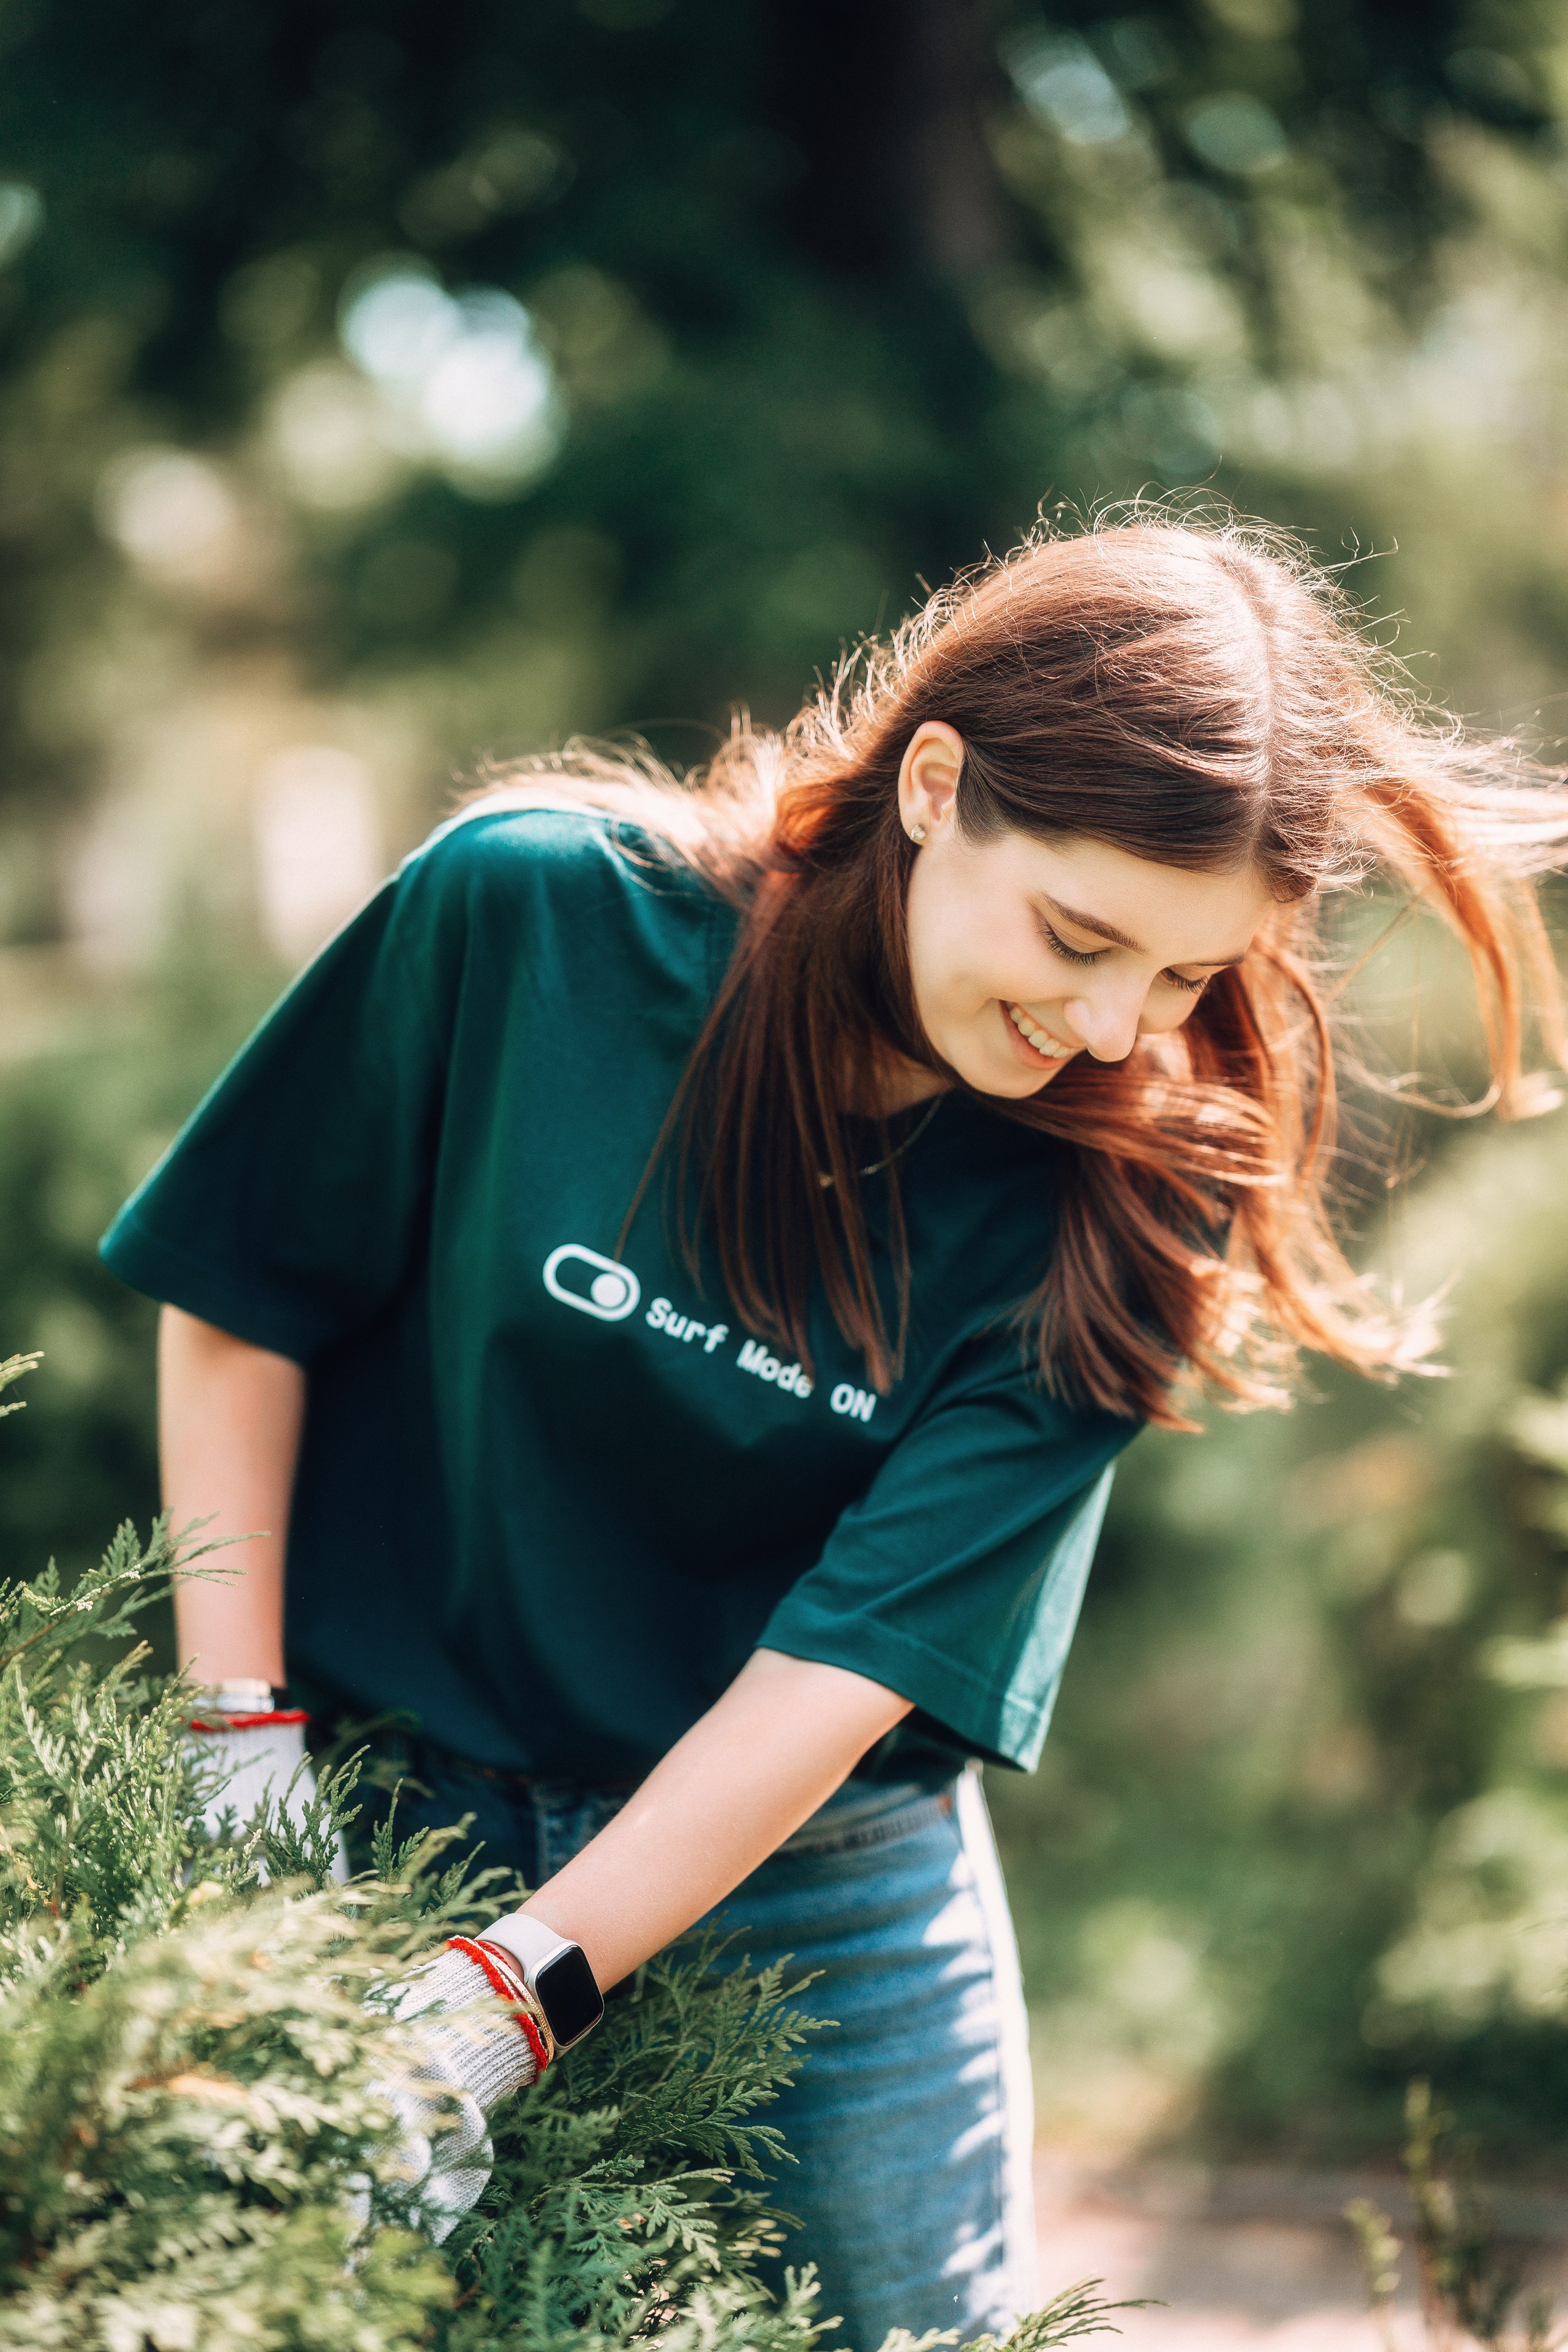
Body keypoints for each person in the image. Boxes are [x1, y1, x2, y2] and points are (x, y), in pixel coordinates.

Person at [100, 514, 1568, 2340]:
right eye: (1079, 932)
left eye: (1185, 978)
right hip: (390, 1796)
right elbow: (248, 1301)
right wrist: (239, 1749)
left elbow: (846, 1659)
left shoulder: (1129, 1200)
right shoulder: (527, 913)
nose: (1114, 1025)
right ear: (937, 784)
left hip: (816, 1892)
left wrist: (507, 1995)